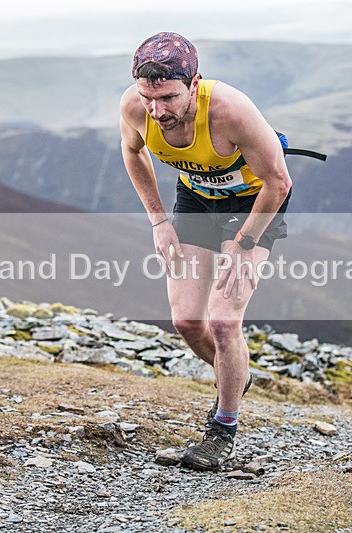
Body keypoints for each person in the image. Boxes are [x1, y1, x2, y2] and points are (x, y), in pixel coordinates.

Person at [119, 31, 293, 471]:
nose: (158, 111)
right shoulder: (136, 108)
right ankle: (235, 375)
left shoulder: (231, 111)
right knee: (186, 320)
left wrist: (244, 242)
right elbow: (132, 152)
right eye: (149, 97)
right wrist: (159, 220)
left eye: (169, 98)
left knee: (221, 319)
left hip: (254, 204)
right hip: (196, 200)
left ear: (194, 84)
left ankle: (223, 428)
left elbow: (279, 182)